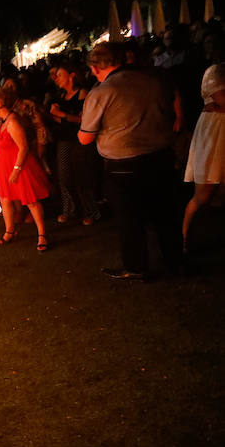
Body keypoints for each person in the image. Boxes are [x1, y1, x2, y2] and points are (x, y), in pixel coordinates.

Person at [79, 42, 182, 279]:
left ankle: (136, 266)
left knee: (130, 219)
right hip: (161, 157)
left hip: (123, 165)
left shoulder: (102, 92)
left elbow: (85, 138)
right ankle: (175, 262)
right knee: (165, 214)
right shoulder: (154, 80)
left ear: (95, 68)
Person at [0, 88, 51, 251]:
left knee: (31, 200)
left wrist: (16, 170)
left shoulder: (13, 121)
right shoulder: (4, 122)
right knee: (5, 199)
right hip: (5, 166)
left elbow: (23, 148)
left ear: (0, 104)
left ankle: (42, 234)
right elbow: (8, 144)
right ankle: (9, 231)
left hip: (19, 167)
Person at [48, 62, 101, 225]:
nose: (57, 79)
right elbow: (57, 118)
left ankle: (91, 212)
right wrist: (58, 115)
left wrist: (62, 114)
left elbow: (83, 120)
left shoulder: (83, 94)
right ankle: (69, 210)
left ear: (71, 76)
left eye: (60, 75)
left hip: (79, 139)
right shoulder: (60, 96)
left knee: (82, 176)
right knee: (64, 176)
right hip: (64, 139)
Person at [182, 63, 225, 252]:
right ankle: (183, 238)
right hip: (214, 134)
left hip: (219, 132)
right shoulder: (215, 73)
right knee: (203, 195)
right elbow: (220, 101)